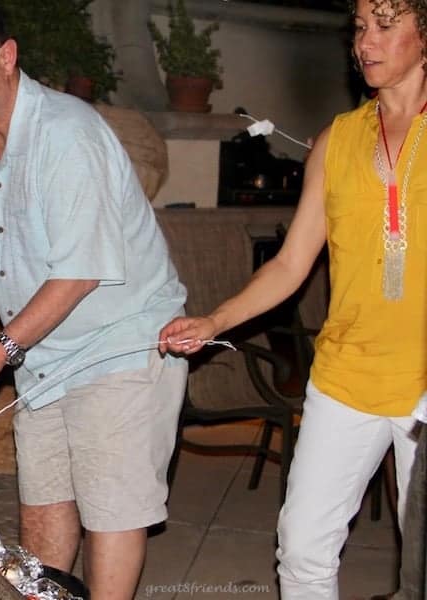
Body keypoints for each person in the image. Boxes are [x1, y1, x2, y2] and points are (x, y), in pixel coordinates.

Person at [159, 1, 427, 598]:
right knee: (302, 549)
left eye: (385, 24)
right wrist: (215, 319)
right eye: (360, 27)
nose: (366, 41)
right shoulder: (338, 140)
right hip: (344, 377)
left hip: (424, 390)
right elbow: (289, 264)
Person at [0, 2, 188, 598]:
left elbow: (81, 272)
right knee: (42, 507)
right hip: (44, 354)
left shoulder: (67, 134)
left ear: (7, 57)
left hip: (120, 343)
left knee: (110, 512)